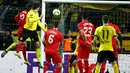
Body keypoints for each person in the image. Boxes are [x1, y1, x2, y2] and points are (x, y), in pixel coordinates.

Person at [1, 3, 46, 68]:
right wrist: (39, 18)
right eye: (39, 8)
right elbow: (31, 21)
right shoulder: (30, 13)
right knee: (18, 43)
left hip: (33, 31)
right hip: (26, 31)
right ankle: (6, 50)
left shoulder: (37, 13)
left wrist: (45, 30)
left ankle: (38, 62)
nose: (39, 9)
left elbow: (38, 22)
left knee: (38, 45)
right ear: (37, 8)